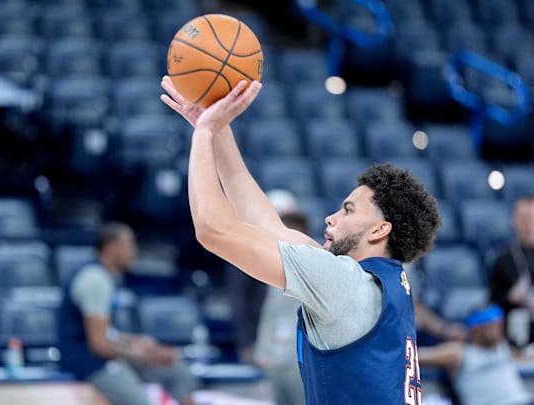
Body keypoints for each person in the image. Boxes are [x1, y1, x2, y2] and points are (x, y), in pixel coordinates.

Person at [161, 76, 440, 404]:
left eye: (347, 211)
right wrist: (218, 128)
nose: (331, 217)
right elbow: (267, 225)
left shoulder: (341, 283)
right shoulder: (388, 282)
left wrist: (203, 135)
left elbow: (213, 231)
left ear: (379, 230)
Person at [58, 222, 198, 405]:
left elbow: (106, 333)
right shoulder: (95, 281)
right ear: (111, 247)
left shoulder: (106, 277)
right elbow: (99, 345)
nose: (134, 251)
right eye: (129, 244)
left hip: (103, 357)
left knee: (177, 372)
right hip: (89, 363)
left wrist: (136, 342)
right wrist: (147, 356)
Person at [418, 304, 534, 405]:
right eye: (494, 327)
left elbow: (525, 356)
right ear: (478, 329)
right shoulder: (458, 352)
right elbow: (415, 356)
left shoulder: (502, 346)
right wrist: (447, 331)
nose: (500, 330)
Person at [254, 189, 308, 405]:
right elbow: (270, 313)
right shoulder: (275, 262)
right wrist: (262, 350)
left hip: (302, 352)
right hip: (277, 354)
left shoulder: (317, 262)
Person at [490, 196, 534, 345]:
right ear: (514, 221)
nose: (529, 223)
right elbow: (492, 302)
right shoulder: (503, 259)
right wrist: (509, 297)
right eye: (524, 217)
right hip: (515, 338)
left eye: (533, 217)